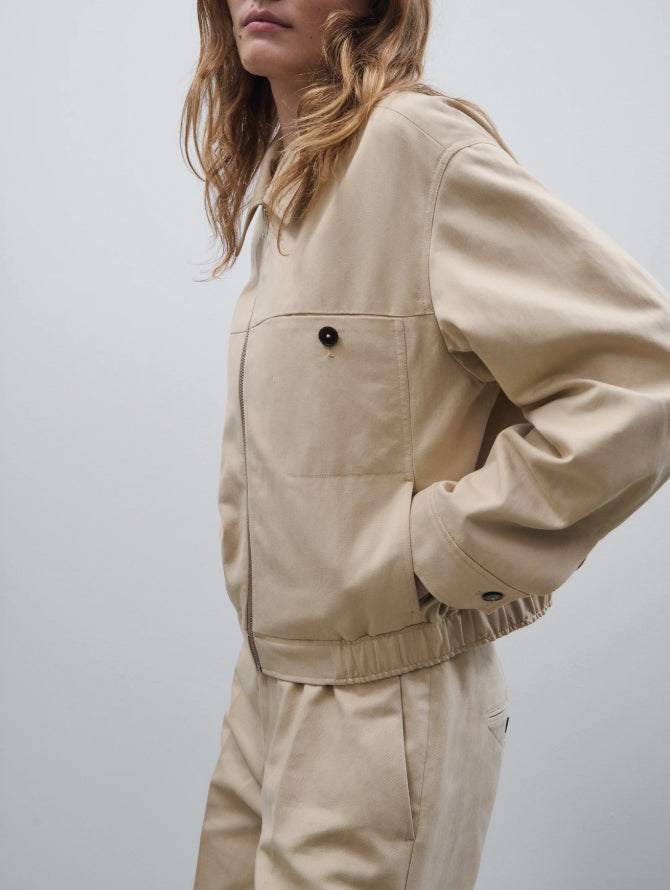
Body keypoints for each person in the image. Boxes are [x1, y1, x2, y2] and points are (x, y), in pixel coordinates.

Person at [181, 2, 670, 887]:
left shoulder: (413, 147)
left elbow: (644, 380)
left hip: (382, 708)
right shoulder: (289, 173)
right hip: (265, 686)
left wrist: (442, 551)